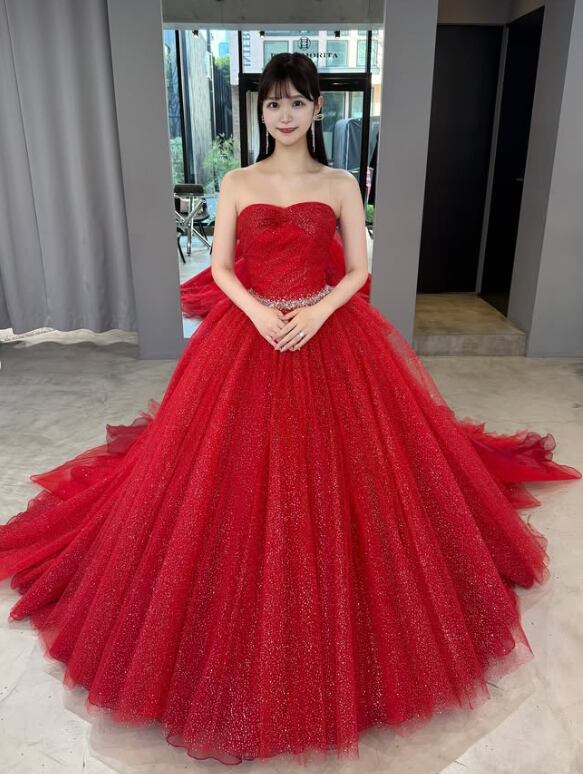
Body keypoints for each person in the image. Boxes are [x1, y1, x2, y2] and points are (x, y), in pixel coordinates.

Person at [0, 52, 580, 767]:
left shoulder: (340, 184)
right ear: (261, 111)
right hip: (247, 334)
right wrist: (255, 312)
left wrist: (316, 312)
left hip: (325, 330)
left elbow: (360, 269)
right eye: (272, 103)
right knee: (218, 477)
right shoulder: (237, 182)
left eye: (297, 102)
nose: (284, 114)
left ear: (316, 108)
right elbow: (218, 268)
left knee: (354, 474)